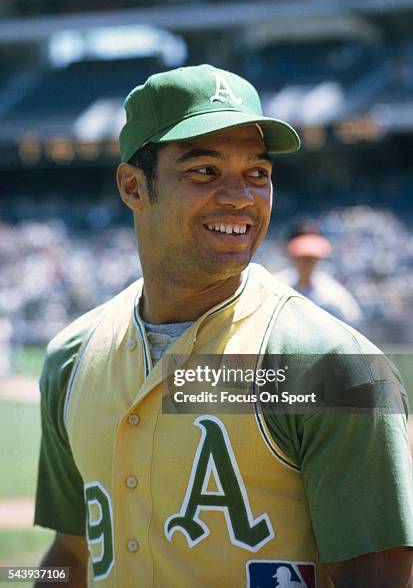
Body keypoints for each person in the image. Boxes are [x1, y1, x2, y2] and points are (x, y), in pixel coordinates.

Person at [34, 65, 413, 588]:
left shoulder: (333, 369)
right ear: (133, 186)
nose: (241, 197)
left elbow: (379, 579)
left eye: (258, 173)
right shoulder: (71, 359)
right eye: (205, 171)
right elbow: (68, 559)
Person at [276, 220, 363, 326]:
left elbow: (353, 325)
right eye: (302, 258)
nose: (306, 263)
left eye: (311, 258)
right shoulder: (276, 285)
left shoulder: (333, 296)